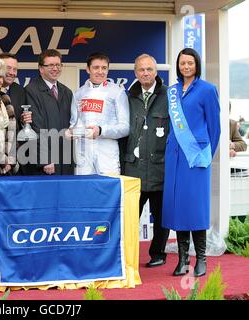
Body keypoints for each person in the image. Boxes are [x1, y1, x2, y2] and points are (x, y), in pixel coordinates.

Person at [162, 48, 221, 277]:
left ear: (196, 64)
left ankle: (202, 260)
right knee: (178, 208)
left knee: (195, 208)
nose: (186, 67)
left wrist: (206, 154)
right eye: (182, 63)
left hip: (196, 157)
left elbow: (215, 127)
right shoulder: (173, 91)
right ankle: (183, 260)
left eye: (190, 63)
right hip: (175, 157)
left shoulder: (207, 89)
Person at [123, 54, 170, 267]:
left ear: (156, 71)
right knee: (130, 216)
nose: (145, 73)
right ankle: (127, 255)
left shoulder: (169, 95)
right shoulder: (127, 97)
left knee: (161, 217)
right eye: (141, 69)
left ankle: (158, 254)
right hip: (134, 169)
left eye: (149, 69)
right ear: (135, 73)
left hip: (161, 168)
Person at [69, 52, 129, 174]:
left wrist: (100, 131)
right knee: (84, 190)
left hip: (107, 154)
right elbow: (74, 124)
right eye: (96, 67)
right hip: (83, 154)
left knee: (108, 189)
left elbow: (125, 128)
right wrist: (72, 131)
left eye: (104, 68)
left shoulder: (117, 92)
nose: (100, 71)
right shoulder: (79, 93)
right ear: (87, 69)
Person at [25, 49, 74, 175]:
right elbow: (35, 126)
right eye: (51, 65)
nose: (55, 68)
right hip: (45, 163)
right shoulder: (31, 90)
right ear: (41, 68)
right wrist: (45, 159)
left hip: (65, 157)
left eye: (58, 65)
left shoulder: (67, 92)